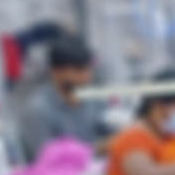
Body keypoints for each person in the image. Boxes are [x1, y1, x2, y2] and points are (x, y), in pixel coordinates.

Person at [17, 33, 111, 162]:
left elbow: (107, 129)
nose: (87, 76)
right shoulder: (37, 111)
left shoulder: (92, 100)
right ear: (55, 72)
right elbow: (48, 160)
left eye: (89, 69)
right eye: (78, 70)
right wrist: (98, 149)